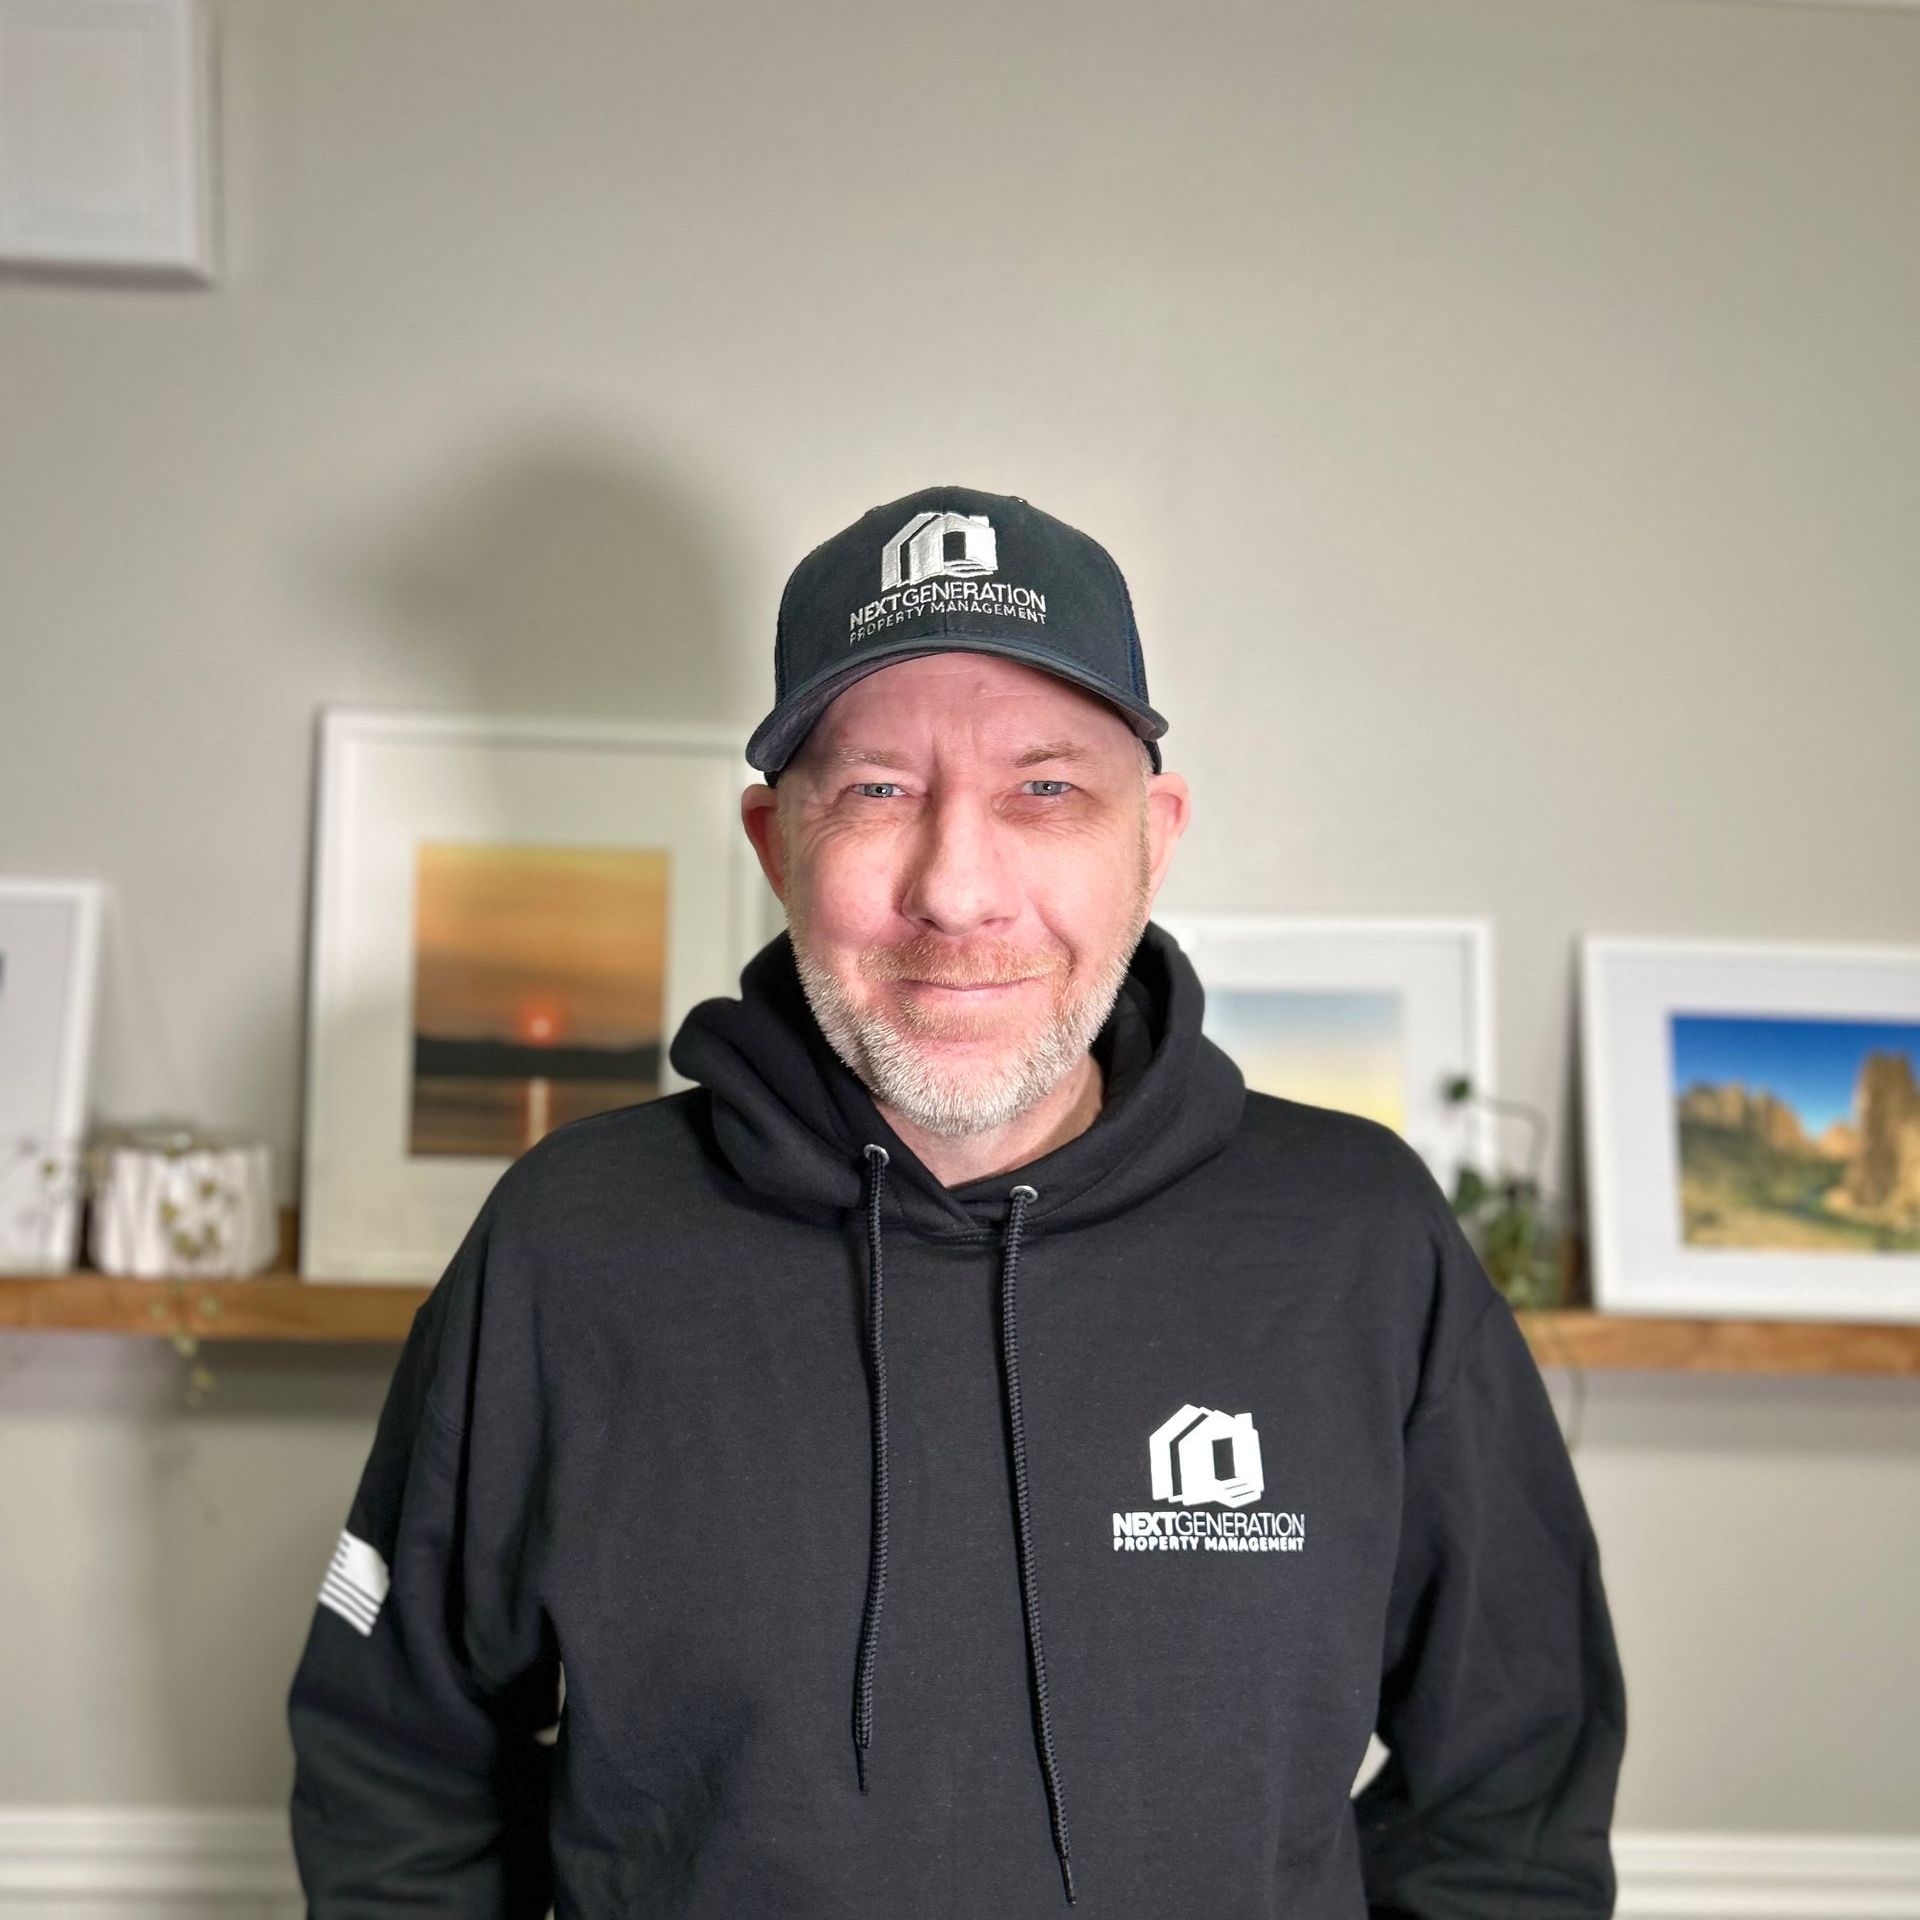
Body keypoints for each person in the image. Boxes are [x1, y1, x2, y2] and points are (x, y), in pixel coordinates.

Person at [286, 484, 1627, 1917]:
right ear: (774, 841)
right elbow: (398, 1777)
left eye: (1045, 790)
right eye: (878, 792)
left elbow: (1514, 1789)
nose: (958, 889)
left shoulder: (1359, 1239)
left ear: (1152, 836)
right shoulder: (574, 1242)